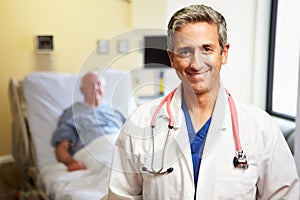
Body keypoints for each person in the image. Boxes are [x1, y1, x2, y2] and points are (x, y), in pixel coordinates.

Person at [107, 4, 299, 199]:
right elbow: (121, 195)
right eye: (185, 51)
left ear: (224, 53)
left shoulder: (260, 128)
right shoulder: (140, 122)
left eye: (207, 49)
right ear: (172, 58)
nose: (196, 64)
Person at [51, 71, 125, 171]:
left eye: (98, 84)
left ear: (104, 88)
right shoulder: (72, 113)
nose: (95, 88)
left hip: (120, 148)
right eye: (90, 85)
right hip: (94, 151)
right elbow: (61, 148)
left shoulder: (115, 111)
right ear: (82, 90)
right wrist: (72, 162)